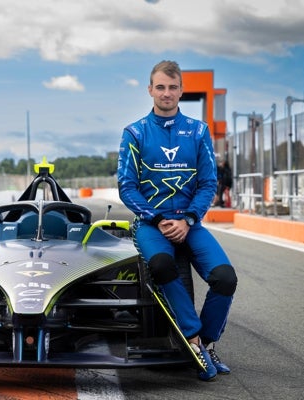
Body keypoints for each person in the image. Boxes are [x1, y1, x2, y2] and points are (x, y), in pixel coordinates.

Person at [117, 60, 237, 381]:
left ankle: (208, 343)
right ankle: (192, 339)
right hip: (151, 222)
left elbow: (208, 183)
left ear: (181, 90)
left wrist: (187, 218)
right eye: (160, 87)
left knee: (226, 278)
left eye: (172, 87)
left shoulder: (198, 131)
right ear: (150, 90)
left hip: (190, 221)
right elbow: (126, 187)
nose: (166, 93)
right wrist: (157, 219)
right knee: (161, 266)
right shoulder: (134, 133)